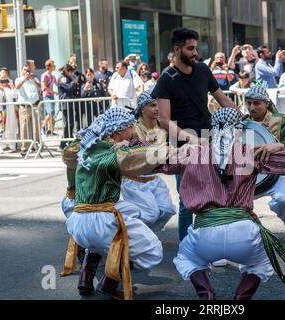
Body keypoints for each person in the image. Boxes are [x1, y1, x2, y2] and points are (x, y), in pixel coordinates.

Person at [156, 107, 285, 300]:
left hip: (205, 235)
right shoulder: (251, 154)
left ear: (212, 130)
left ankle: (207, 295)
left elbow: (157, 161)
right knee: (262, 261)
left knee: (187, 258)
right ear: (239, 130)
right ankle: (241, 299)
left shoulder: (192, 154)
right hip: (244, 234)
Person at [62, 107, 164, 300]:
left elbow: (69, 158)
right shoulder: (116, 154)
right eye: (129, 127)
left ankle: (86, 275)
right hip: (100, 219)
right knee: (153, 252)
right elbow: (148, 155)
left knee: (130, 211)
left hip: (76, 222)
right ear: (118, 131)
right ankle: (109, 282)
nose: (133, 130)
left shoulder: (82, 149)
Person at [151, 27, 239, 241]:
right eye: (190, 48)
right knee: (187, 200)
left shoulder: (202, 70)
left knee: (216, 192)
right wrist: (189, 138)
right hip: (182, 145)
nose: (195, 53)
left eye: (196, 48)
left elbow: (223, 100)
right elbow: (163, 119)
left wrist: (242, 117)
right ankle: (186, 249)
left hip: (210, 139)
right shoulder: (166, 79)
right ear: (177, 49)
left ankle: (212, 242)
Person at [245, 85, 285, 243]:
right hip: (252, 174)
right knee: (232, 200)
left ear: (266, 103)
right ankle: (256, 225)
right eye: (249, 103)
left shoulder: (282, 120)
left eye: (257, 103)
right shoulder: (243, 123)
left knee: (282, 200)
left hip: (279, 172)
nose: (252, 107)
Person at [117, 91, 176, 232]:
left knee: (168, 210)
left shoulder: (163, 127)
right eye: (152, 105)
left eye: (158, 105)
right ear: (142, 108)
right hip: (134, 180)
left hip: (154, 178)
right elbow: (120, 149)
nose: (157, 108)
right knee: (150, 215)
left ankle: (142, 235)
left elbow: (169, 150)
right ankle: (120, 229)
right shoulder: (132, 128)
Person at [15, 63, 41, 154]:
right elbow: (17, 86)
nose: (27, 72)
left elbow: (40, 87)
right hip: (24, 107)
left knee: (36, 126)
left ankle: (36, 144)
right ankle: (24, 147)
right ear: (22, 71)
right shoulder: (19, 79)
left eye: (28, 70)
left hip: (34, 105)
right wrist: (24, 79)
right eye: (25, 70)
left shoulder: (34, 79)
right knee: (24, 126)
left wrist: (34, 80)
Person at [0, 71, 18, 153]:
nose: (3, 80)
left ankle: (12, 146)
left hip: (9, 112)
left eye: (5, 78)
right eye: (2, 78)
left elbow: (15, 96)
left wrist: (12, 86)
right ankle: (1, 147)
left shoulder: (9, 88)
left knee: (11, 128)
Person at [58, 64, 79, 150]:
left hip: (70, 103)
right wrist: (73, 82)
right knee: (68, 124)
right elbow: (68, 88)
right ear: (67, 71)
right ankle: (63, 143)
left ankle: (69, 141)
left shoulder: (69, 77)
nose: (71, 73)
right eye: (70, 71)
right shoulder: (62, 78)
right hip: (65, 104)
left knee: (71, 123)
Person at [41, 59, 57, 136]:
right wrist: (53, 92)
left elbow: (58, 84)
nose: (54, 66)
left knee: (52, 113)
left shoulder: (53, 76)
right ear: (49, 66)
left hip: (51, 96)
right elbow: (43, 87)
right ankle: (43, 125)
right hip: (47, 96)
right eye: (53, 65)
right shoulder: (44, 75)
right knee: (50, 112)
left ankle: (50, 130)